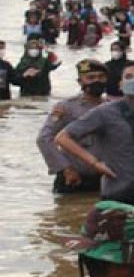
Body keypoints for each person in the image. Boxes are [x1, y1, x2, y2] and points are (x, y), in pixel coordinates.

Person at [55, 60, 134, 215]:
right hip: (116, 193)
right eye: (128, 77)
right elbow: (63, 138)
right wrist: (95, 163)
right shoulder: (105, 112)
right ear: (120, 84)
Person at [37, 59, 108, 194]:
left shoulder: (113, 108)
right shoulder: (66, 108)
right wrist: (65, 168)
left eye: (101, 77)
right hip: (73, 177)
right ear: (80, 82)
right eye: (91, 78)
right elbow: (44, 138)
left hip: (105, 178)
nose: (96, 81)